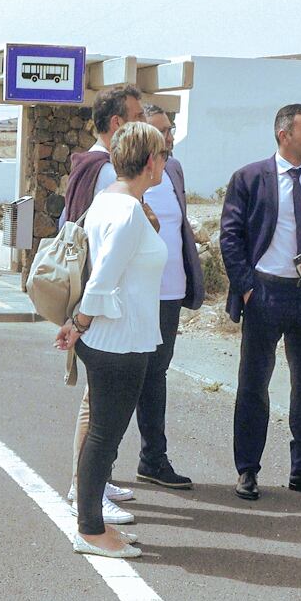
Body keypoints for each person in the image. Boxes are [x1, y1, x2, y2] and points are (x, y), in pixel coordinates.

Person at [220, 103, 301, 501]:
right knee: (253, 386)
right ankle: (247, 470)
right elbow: (230, 236)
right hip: (265, 294)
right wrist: (246, 288)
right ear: (284, 135)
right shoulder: (249, 178)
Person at [55, 122, 169, 558]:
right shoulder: (126, 212)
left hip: (121, 337)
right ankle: (90, 530)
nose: (165, 161)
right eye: (161, 153)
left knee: (104, 435)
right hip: (116, 340)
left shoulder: (113, 202)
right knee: (105, 437)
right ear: (149, 161)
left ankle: (93, 524)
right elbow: (102, 280)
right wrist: (78, 325)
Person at [62, 85, 147, 524]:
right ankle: (84, 490)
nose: (145, 122)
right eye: (137, 116)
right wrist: (81, 318)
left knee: (97, 405)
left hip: (94, 304)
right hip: (102, 308)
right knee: (97, 409)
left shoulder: (85, 165)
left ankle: (93, 481)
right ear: (117, 124)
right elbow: (106, 252)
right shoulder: (104, 173)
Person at [133, 104, 206, 489]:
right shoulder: (118, 174)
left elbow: (179, 229)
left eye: (170, 129)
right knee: (125, 377)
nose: (169, 136)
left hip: (169, 292)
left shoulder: (173, 169)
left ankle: (153, 459)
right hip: (133, 293)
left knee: (156, 375)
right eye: (161, 130)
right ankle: (100, 468)